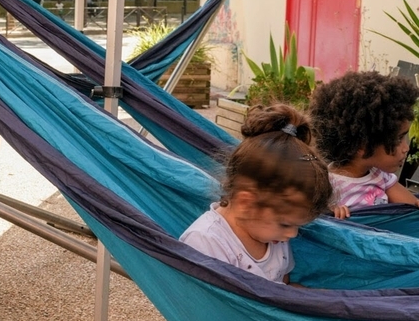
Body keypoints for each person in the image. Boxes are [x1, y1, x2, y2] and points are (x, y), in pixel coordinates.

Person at [179, 104, 332, 284]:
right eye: (285, 224)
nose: (292, 234)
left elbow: (284, 286)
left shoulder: (274, 236)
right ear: (246, 203)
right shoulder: (206, 242)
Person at [310, 71, 419, 218]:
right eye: (399, 139)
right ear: (363, 145)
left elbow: (412, 211)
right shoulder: (325, 185)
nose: (406, 148)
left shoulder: (382, 177)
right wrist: (327, 212)